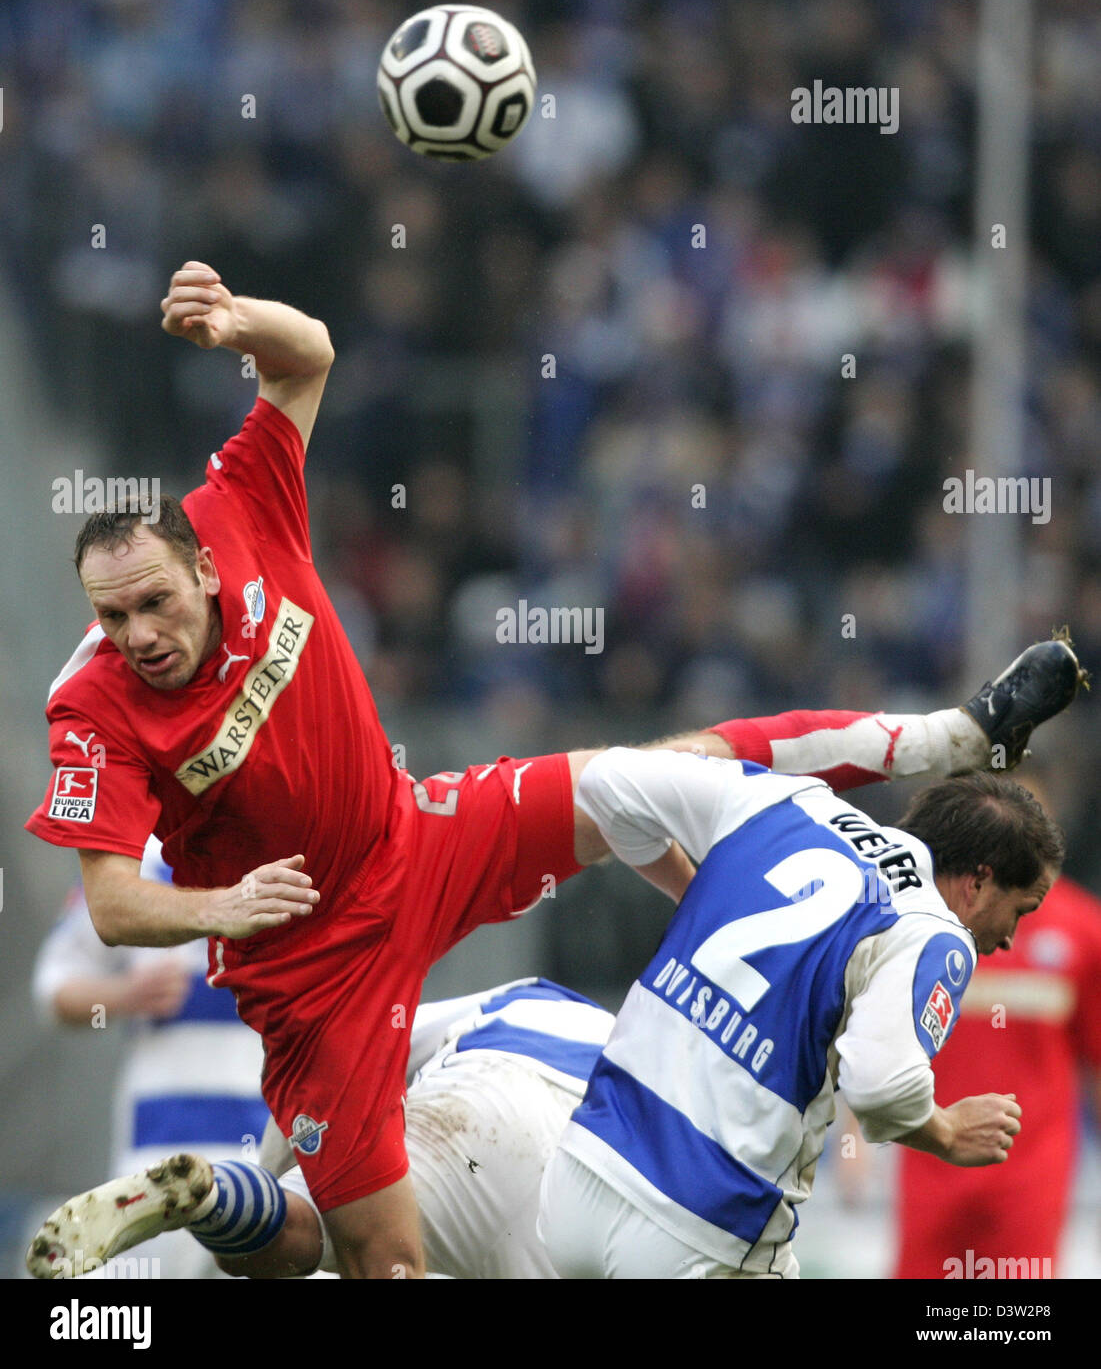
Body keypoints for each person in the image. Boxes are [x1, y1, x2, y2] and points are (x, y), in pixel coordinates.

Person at [24, 260, 1084, 1278]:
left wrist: (235, 319)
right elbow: (114, 906)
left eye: (154, 602)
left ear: (204, 565)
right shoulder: (93, 708)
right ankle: (218, 1202)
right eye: (111, 616)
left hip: (421, 833)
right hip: (312, 967)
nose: (138, 633)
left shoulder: (239, 505)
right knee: (378, 1263)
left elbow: (309, 355)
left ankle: (954, 730)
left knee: (669, 766)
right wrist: (228, 903)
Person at [537, 750, 1066, 1278]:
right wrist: (947, 1131)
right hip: (703, 1223)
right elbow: (882, 1088)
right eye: (1021, 910)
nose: (1010, 938)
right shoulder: (936, 930)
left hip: (580, 1177)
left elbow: (604, 783)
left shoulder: (784, 798)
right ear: (977, 883)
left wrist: (689, 889)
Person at [29, 978, 614, 1280]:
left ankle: (213, 1200)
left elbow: (355, 1057)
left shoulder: (535, 1000)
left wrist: (266, 1184)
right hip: (601, 1181)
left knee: (309, 1234)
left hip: (479, 1094)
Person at [893, 773, 1101, 1280]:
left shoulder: (1084, 929)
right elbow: (876, 1032)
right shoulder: (922, 923)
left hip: (1030, 1174)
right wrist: (854, 1132)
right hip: (930, 1159)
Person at [31, 838, 269, 1278]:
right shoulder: (137, 864)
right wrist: (124, 995)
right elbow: (54, 988)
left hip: (275, 1156)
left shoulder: (289, 846)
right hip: (159, 1156)